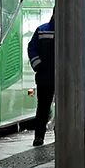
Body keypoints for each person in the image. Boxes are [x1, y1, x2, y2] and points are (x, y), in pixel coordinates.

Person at [27, 14, 54, 146]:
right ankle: (43, 135)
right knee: (45, 107)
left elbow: (32, 49)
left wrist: (38, 65)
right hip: (55, 76)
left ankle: (39, 137)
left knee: (43, 107)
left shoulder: (42, 30)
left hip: (44, 77)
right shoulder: (70, 32)